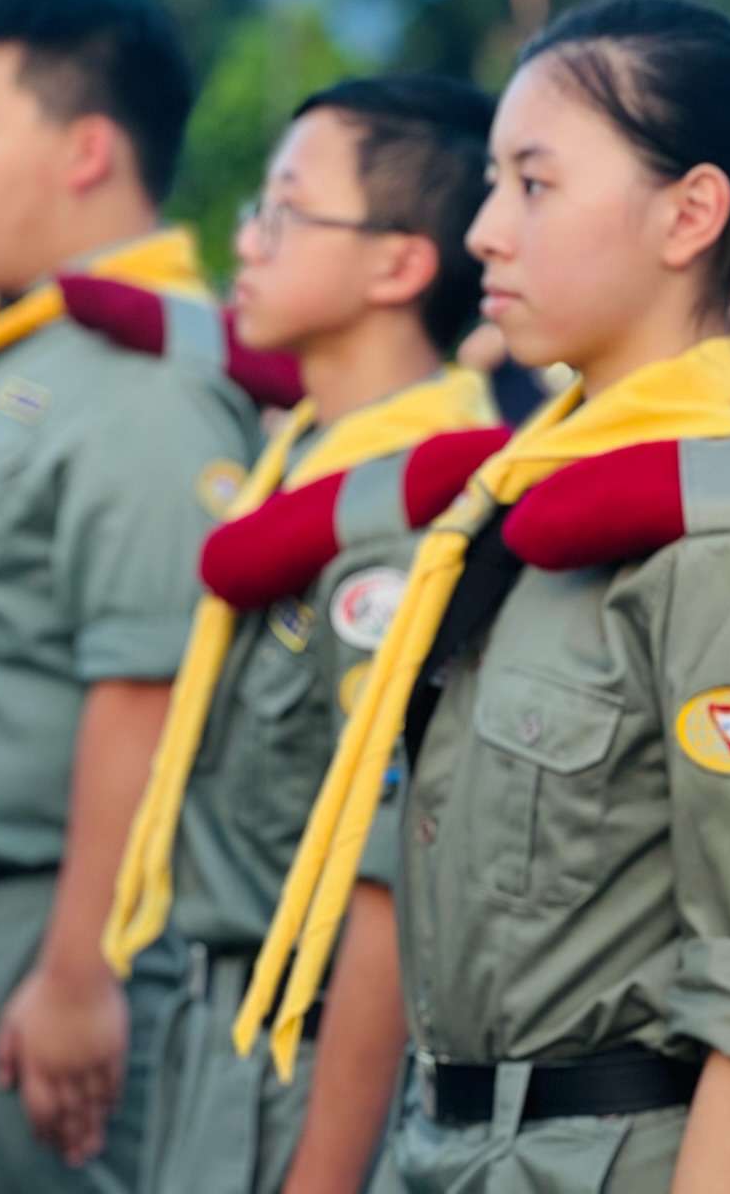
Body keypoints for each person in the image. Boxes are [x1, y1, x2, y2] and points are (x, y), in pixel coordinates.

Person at [236, 0, 730, 1193]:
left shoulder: (716, 544)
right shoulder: (515, 504)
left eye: (534, 184)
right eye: (493, 186)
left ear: (690, 213)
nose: (485, 233)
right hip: (450, 1144)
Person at [0, 0, 259, 1194]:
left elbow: (145, 693)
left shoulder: (145, 381)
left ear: (86, 150)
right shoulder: (37, 347)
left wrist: (81, 973)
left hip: (36, 936)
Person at [101, 74, 499, 1194]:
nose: (248, 241)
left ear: (398, 264)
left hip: (310, 1054)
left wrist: (322, 1172)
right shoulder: (306, 460)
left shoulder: (406, 516)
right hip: (216, 1027)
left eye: (283, 211)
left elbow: (388, 880)